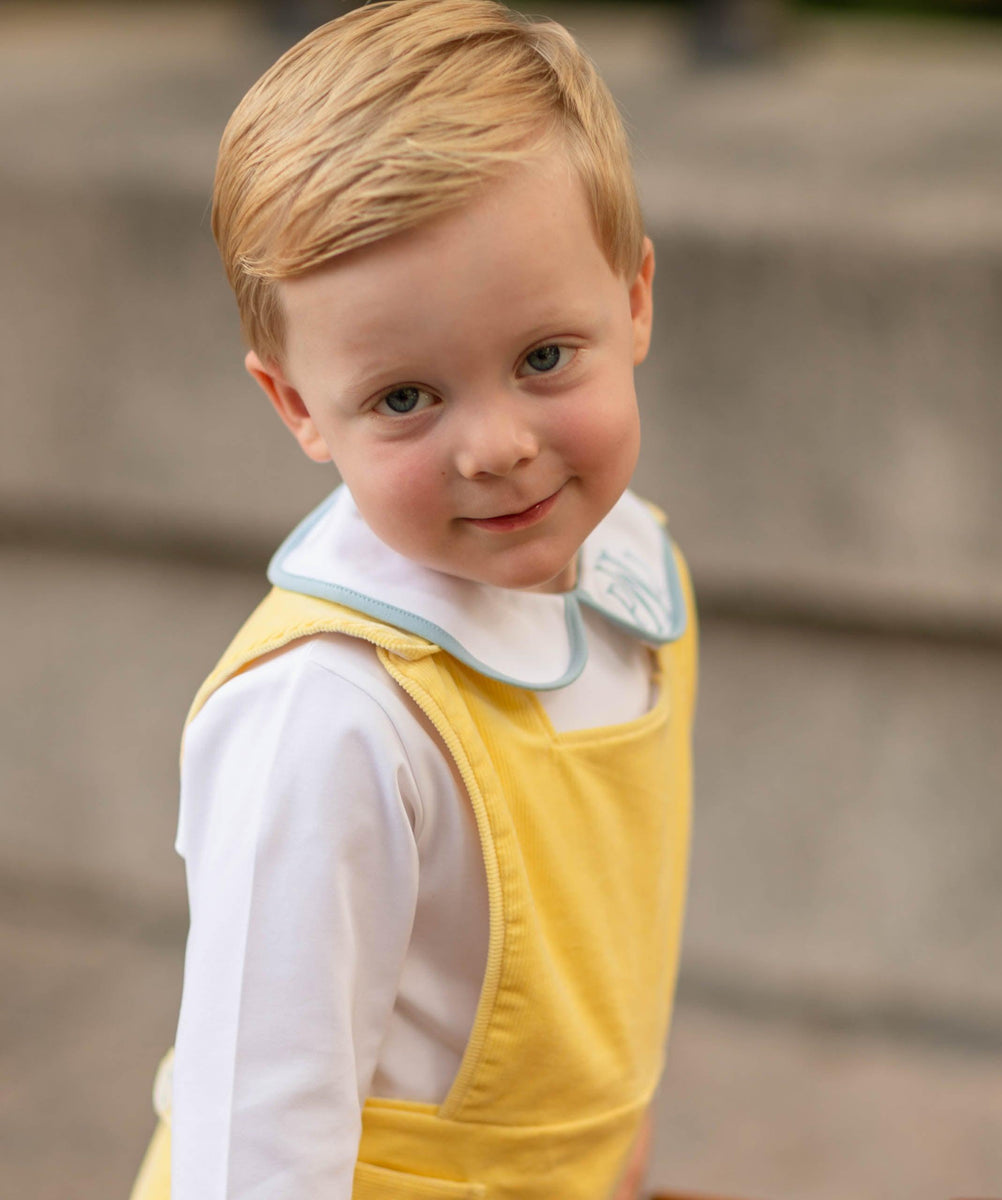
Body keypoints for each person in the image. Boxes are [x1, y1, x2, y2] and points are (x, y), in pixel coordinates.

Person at [128, 2, 697, 1198]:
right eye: (403, 399)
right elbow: (255, 1137)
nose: (494, 447)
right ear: (296, 407)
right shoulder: (329, 717)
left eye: (545, 357)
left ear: (634, 299)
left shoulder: (637, 573)